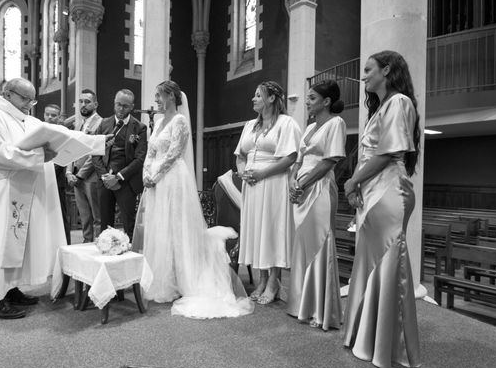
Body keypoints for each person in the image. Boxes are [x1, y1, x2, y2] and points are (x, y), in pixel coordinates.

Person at [0, 78, 108, 319]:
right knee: (0, 245)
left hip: (22, 191)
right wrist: (38, 156)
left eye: (32, 100)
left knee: (17, 246)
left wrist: (98, 142)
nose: (29, 105)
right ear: (8, 94)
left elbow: (65, 134)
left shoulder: (29, 121)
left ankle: (10, 290)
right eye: (25, 99)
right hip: (3, 192)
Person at [132, 80, 254, 319]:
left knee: (176, 229)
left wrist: (155, 175)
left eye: (158, 95)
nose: (155, 99)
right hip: (155, 182)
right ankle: (161, 279)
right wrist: (147, 173)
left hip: (172, 180)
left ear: (170, 96)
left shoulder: (180, 121)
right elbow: (151, 152)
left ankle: (181, 279)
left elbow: (174, 153)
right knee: (158, 229)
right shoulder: (157, 122)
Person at [342, 50, 421, 368]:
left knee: (388, 262)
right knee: (369, 261)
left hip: (389, 190)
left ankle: (387, 344)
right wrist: (358, 185)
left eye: (368, 69)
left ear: (387, 70)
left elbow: (389, 154)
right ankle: (367, 335)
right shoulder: (380, 109)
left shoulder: (399, 102)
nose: (363, 75)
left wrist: (351, 182)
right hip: (375, 189)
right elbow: (369, 156)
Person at [285, 80, 346, 331]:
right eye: (308, 97)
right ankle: (301, 303)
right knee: (302, 242)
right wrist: (292, 181)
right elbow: (299, 160)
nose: (307, 102)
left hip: (320, 188)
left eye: (311, 98)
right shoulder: (309, 127)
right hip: (302, 187)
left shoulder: (336, 123)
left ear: (326, 101)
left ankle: (321, 310)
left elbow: (330, 161)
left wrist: (304, 183)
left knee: (320, 242)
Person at [234, 81, 302, 305]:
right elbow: (240, 155)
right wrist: (243, 173)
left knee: (272, 230)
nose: (253, 99)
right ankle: (262, 279)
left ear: (272, 98)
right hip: (251, 185)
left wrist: (261, 174)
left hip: (273, 181)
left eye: (258, 95)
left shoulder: (286, 123)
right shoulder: (249, 125)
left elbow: (290, 157)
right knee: (257, 231)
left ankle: (274, 281)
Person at [86, 89, 147, 240]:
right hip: (105, 181)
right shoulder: (103, 124)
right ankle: (106, 250)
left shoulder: (139, 128)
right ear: (114, 103)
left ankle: (130, 255)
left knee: (129, 223)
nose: (121, 109)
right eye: (118, 104)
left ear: (132, 106)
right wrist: (105, 177)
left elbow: (140, 159)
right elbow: (95, 153)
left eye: (125, 106)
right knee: (104, 222)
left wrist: (118, 177)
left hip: (126, 182)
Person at [66, 89, 103, 242]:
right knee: (84, 214)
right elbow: (72, 148)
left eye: (87, 102)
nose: (83, 105)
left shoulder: (101, 123)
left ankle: (100, 244)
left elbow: (96, 152)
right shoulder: (79, 124)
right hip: (76, 175)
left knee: (97, 215)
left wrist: (80, 175)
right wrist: (69, 172)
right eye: (81, 101)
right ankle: (86, 241)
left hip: (91, 176)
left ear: (95, 104)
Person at [43, 103, 71, 245]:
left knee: (60, 215)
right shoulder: (39, 131)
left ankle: (65, 245)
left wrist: (49, 171)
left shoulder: (63, 132)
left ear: (59, 117)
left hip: (57, 180)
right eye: (47, 114)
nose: (49, 117)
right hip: (41, 180)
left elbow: (64, 156)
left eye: (53, 115)